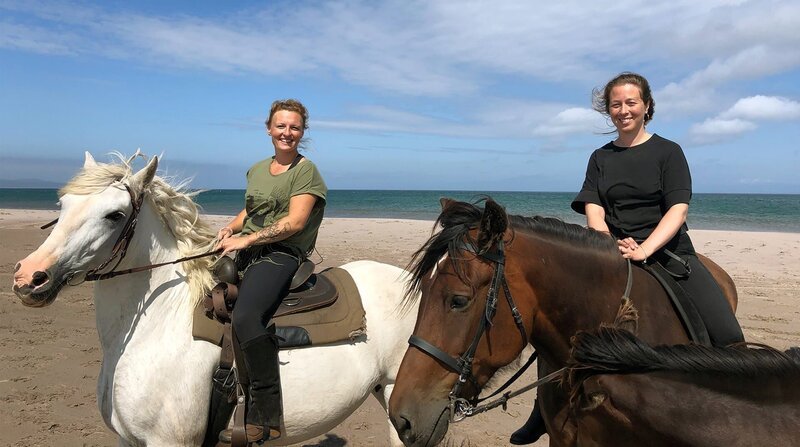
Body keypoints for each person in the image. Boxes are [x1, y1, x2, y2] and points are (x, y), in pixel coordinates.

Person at [510, 72, 745, 445]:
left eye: (631, 102)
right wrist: (604, 243)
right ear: (609, 110)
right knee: (558, 323)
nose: (623, 110)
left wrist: (646, 249)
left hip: (667, 253)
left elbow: (677, 210)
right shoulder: (600, 157)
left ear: (647, 106)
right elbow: (594, 205)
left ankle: (735, 402)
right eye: (616, 104)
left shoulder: (669, 152)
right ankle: (543, 409)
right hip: (611, 254)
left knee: (729, 336)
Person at [214, 99, 327, 444]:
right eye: (281, 126)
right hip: (249, 246)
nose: (287, 133)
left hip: (282, 254)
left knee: (247, 316)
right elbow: (250, 211)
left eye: (294, 127)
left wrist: (246, 242)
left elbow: (294, 222)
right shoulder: (257, 169)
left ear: (302, 132)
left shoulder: (306, 171)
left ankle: (265, 415)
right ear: (269, 129)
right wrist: (230, 230)